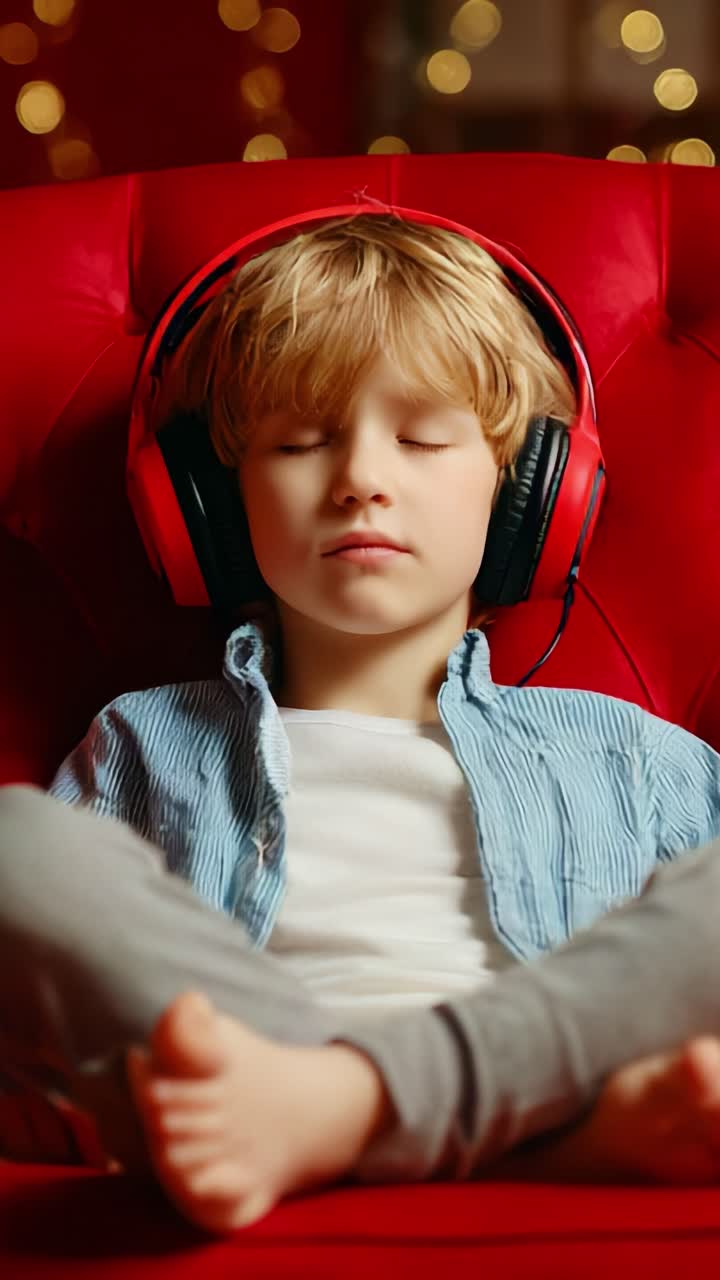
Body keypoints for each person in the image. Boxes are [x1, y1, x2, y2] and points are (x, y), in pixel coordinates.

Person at [1, 214, 720, 1237]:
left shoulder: (626, 752)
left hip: (545, 1059)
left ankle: (337, 1116)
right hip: (256, 1080)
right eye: (299, 440)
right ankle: (512, 1134)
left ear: (530, 493)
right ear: (204, 505)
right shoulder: (144, 740)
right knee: (16, 846)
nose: (360, 479)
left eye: (423, 437)